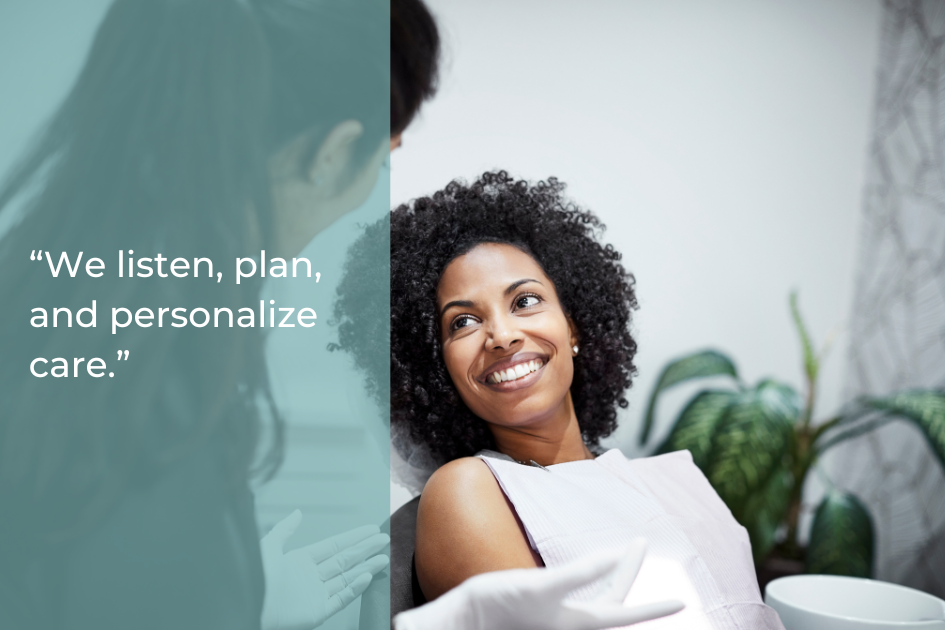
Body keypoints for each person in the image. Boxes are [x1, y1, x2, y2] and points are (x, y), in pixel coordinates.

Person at [0, 0, 391, 627]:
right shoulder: (148, 405)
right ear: (332, 152)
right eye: (383, 157)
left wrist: (239, 601)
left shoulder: (53, 305)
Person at [334, 171, 786, 629]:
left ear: (573, 326)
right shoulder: (469, 490)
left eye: (525, 301)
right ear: (437, 369)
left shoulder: (680, 478)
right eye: (463, 322)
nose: (502, 335)